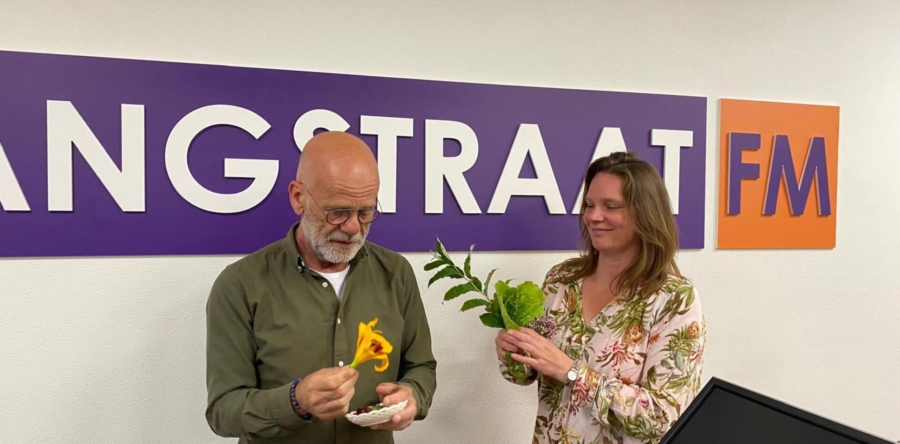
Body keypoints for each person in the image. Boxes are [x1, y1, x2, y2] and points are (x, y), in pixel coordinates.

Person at [205, 131, 437, 444]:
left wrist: (413, 396)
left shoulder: (395, 273)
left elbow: (421, 366)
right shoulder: (241, 285)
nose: (354, 227)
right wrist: (294, 400)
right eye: (338, 212)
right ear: (298, 197)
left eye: (366, 212)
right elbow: (223, 411)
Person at [495, 152, 706, 444]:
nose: (594, 216)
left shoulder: (673, 300)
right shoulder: (561, 280)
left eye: (611, 206)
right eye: (590, 205)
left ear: (645, 214)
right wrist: (514, 352)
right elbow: (523, 375)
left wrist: (570, 371)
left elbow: (663, 417)